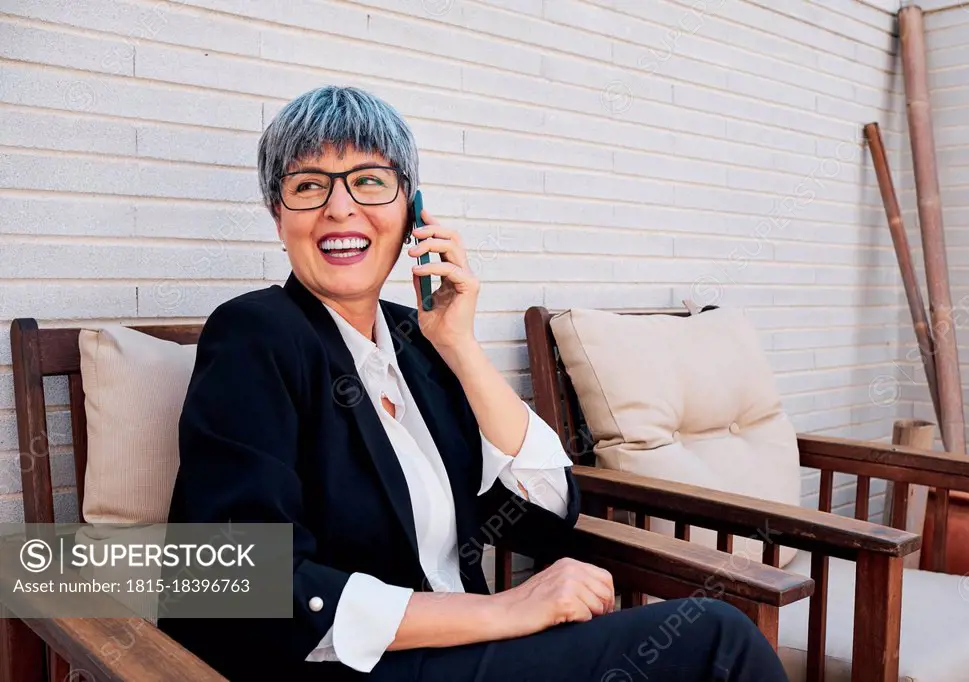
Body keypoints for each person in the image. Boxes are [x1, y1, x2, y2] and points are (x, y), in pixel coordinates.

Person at [157, 85, 789, 682]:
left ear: (413, 213)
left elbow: (546, 514)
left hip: (466, 653)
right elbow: (245, 579)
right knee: (712, 641)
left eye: (370, 182)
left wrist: (459, 345)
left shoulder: (418, 343)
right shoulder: (254, 334)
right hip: (352, 666)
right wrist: (508, 611)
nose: (340, 207)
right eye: (308, 185)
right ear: (278, 215)